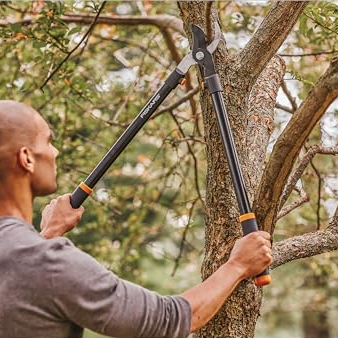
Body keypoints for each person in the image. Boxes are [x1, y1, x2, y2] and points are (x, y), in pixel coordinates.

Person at [0, 100, 272, 338]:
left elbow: (21, 276)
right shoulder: (49, 263)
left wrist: (47, 234)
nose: (55, 152)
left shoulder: (31, 258)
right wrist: (238, 265)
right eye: (48, 141)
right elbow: (169, 320)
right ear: (26, 158)